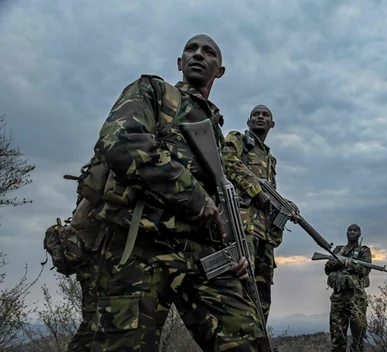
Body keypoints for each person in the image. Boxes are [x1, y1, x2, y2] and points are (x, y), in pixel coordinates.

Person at [86, 34, 263, 351]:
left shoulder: (217, 133)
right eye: (190, 49)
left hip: (205, 254)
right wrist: (195, 198)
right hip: (139, 244)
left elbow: (227, 204)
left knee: (247, 341)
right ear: (180, 63)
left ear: (219, 70)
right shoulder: (154, 92)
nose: (198, 54)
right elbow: (121, 142)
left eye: (208, 52)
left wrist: (238, 251)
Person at [222, 104, 298, 322]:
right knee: (242, 287)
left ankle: (258, 339)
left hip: (266, 234)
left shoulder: (269, 158)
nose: (260, 117)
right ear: (249, 122)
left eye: (265, 115)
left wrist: (287, 204)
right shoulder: (238, 140)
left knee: (263, 296)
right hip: (242, 227)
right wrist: (255, 190)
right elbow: (226, 160)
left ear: (272, 124)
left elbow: (269, 192)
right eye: (256, 114)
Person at [324, 224, 371, 352]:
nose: (352, 232)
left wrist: (346, 263)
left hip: (357, 297)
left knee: (358, 335)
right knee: (337, 334)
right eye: (349, 230)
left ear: (359, 234)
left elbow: (365, 269)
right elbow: (327, 269)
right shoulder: (338, 250)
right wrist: (333, 264)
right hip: (338, 296)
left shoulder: (364, 251)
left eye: (355, 230)